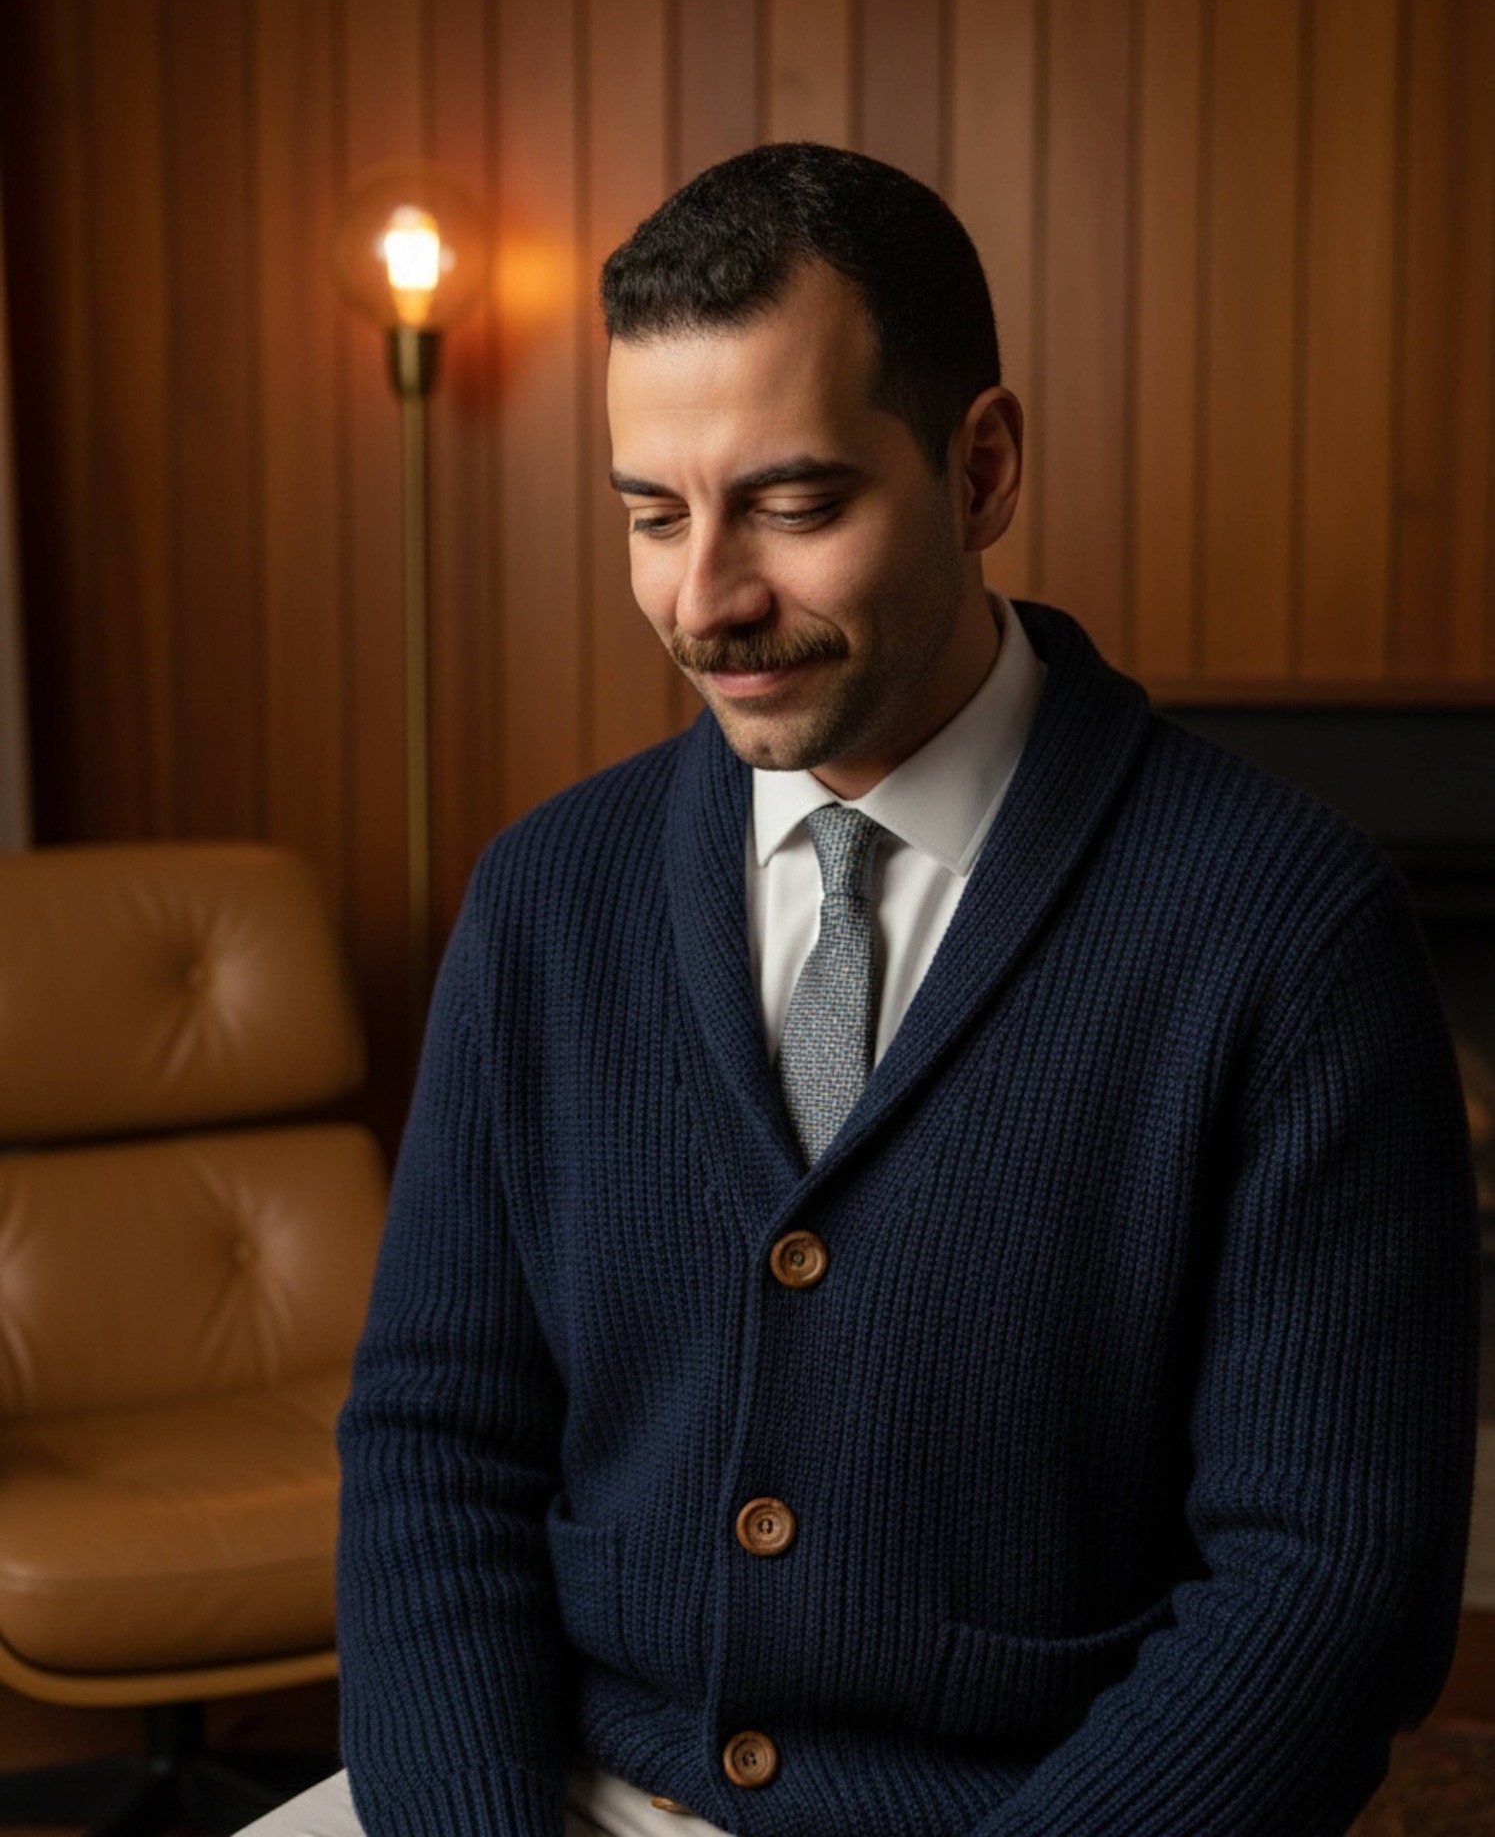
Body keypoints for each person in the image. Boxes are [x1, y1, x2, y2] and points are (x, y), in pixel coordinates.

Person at [328, 142, 1479, 1837]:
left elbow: (1328, 1581)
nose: (706, 601)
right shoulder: (544, 900)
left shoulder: (1287, 933)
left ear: (982, 466)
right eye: (653, 515)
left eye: (794, 507)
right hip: (575, 1799)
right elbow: (437, 1447)